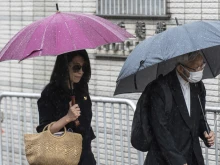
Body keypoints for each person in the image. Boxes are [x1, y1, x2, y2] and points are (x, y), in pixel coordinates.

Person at [145, 51, 215, 165]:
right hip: (165, 159)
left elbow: (199, 117)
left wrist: (206, 132)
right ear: (180, 68)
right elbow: (160, 131)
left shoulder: (198, 86)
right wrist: (178, 160)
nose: (200, 71)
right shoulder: (160, 88)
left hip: (193, 157)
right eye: (195, 68)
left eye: (202, 65)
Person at [36, 50, 96, 165]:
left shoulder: (82, 90)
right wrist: (68, 117)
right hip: (61, 156)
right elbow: (44, 131)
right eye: (76, 67)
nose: (81, 72)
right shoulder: (50, 93)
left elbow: (85, 124)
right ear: (64, 67)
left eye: (84, 67)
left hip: (85, 155)